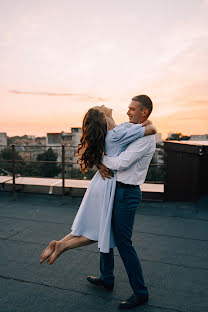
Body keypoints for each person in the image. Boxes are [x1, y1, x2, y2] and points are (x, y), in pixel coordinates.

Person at [40, 102, 156, 269]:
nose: (103, 104)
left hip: (99, 182)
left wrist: (100, 162)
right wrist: (149, 124)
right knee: (100, 230)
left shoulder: (111, 133)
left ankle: (59, 243)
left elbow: (99, 150)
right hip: (108, 184)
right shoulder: (117, 134)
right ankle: (63, 246)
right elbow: (151, 130)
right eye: (101, 107)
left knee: (90, 225)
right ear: (103, 117)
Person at [87, 95, 155, 309]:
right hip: (114, 188)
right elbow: (110, 139)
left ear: (144, 112)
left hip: (127, 193)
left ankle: (140, 292)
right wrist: (99, 162)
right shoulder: (129, 127)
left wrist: (100, 158)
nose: (128, 112)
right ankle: (107, 277)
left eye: (133, 109)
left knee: (124, 244)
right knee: (105, 231)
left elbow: (121, 163)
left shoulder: (146, 138)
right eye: (128, 108)